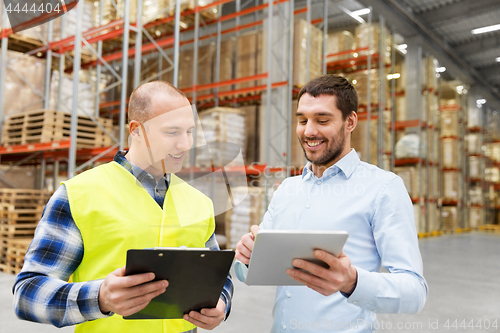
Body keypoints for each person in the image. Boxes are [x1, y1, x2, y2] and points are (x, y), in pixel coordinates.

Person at [13, 81, 233, 333]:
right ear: (137, 130)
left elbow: (219, 277)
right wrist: (100, 298)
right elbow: (27, 294)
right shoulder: (78, 195)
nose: (185, 144)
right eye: (172, 132)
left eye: (190, 131)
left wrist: (221, 304)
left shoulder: (199, 202)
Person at [235, 74, 428, 332]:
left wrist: (351, 282)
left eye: (322, 120)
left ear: (350, 122)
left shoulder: (382, 189)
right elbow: (252, 272)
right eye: (302, 120)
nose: (309, 131)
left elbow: (415, 292)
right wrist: (247, 259)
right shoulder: (287, 190)